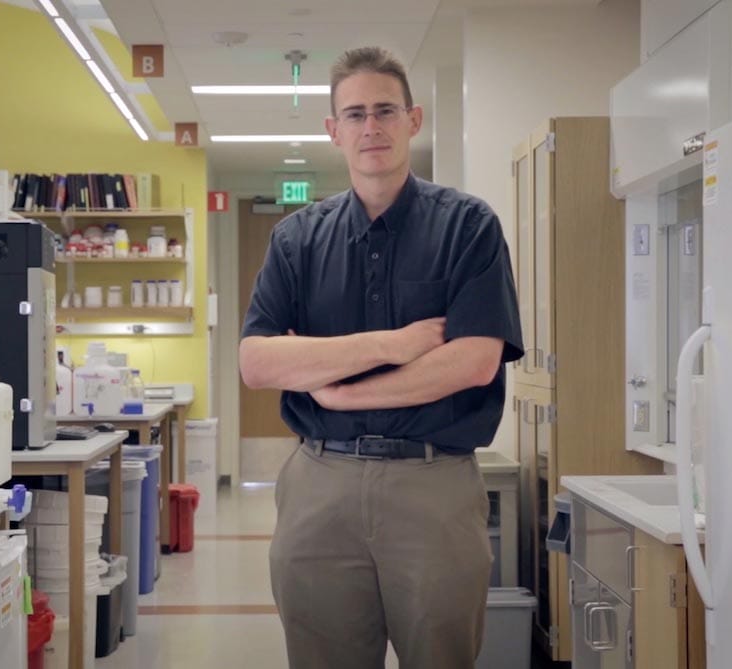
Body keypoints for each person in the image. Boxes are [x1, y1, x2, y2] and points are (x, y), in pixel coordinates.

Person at [239, 46, 524, 669]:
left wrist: (339, 387)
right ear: (333, 130)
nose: (372, 127)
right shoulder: (297, 240)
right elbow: (258, 363)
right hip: (320, 485)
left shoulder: (467, 227)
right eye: (356, 113)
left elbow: (474, 361)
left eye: (386, 110)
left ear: (413, 120)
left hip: (434, 487)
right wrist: (392, 346)